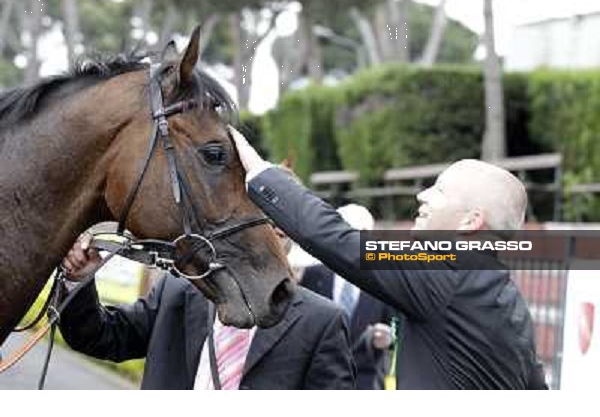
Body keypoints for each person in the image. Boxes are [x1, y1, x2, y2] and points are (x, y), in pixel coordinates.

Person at [228, 127, 549, 390]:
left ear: (470, 221)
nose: (421, 196)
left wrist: (261, 174)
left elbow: (339, 240)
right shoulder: (508, 302)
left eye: (439, 191)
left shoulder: (447, 270)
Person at [59, 231, 356, 390]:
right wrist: (79, 279)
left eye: (278, 223)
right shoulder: (178, 291)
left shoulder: (323, 321)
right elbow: (101, 336)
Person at [300, 204, 396, 390]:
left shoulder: (386, 279)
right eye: (344, 231)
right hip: (318, 383)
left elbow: (398, 329)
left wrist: (389, 338)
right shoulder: (312, 276)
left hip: (367, 383)